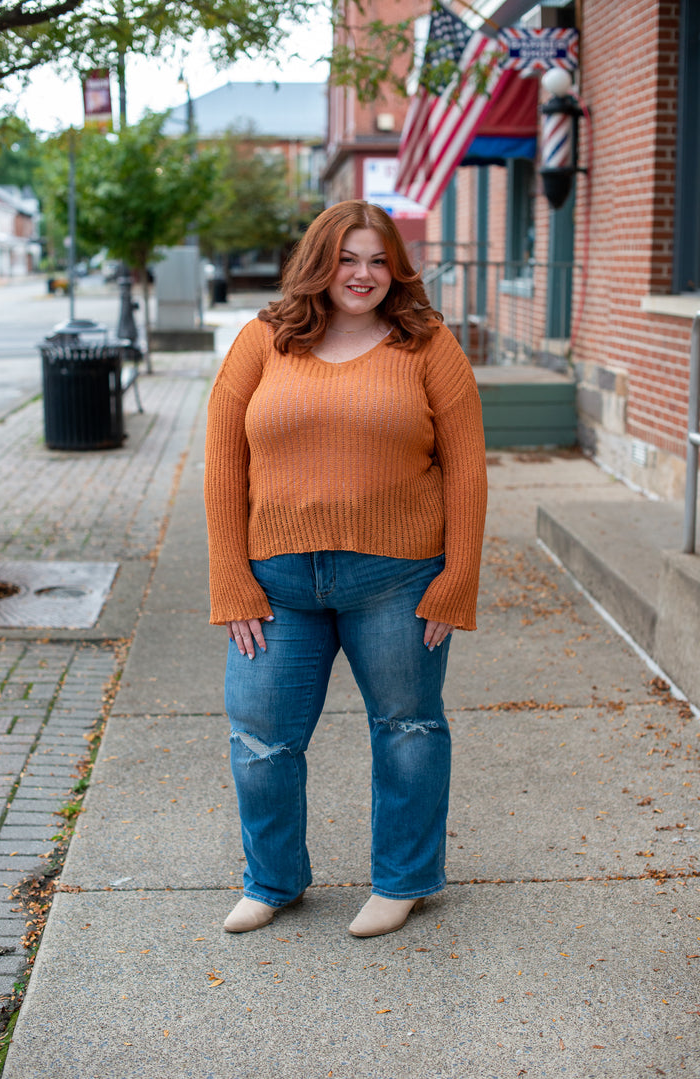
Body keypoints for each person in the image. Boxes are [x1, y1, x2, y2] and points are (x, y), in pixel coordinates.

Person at [204, 200, 487, 938]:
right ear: (319, 262)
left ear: (396, 266)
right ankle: (273, 880)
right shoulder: (263, 341)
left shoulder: (427, 344)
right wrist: (230, 574)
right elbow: (223, 463)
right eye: (347, 258)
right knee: (261, 738)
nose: (362, 274)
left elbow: (467, 470)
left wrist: (458, 577)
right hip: (278, 585)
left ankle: (403, 880)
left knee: (409, 727)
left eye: (376, 259)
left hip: (398, 579)